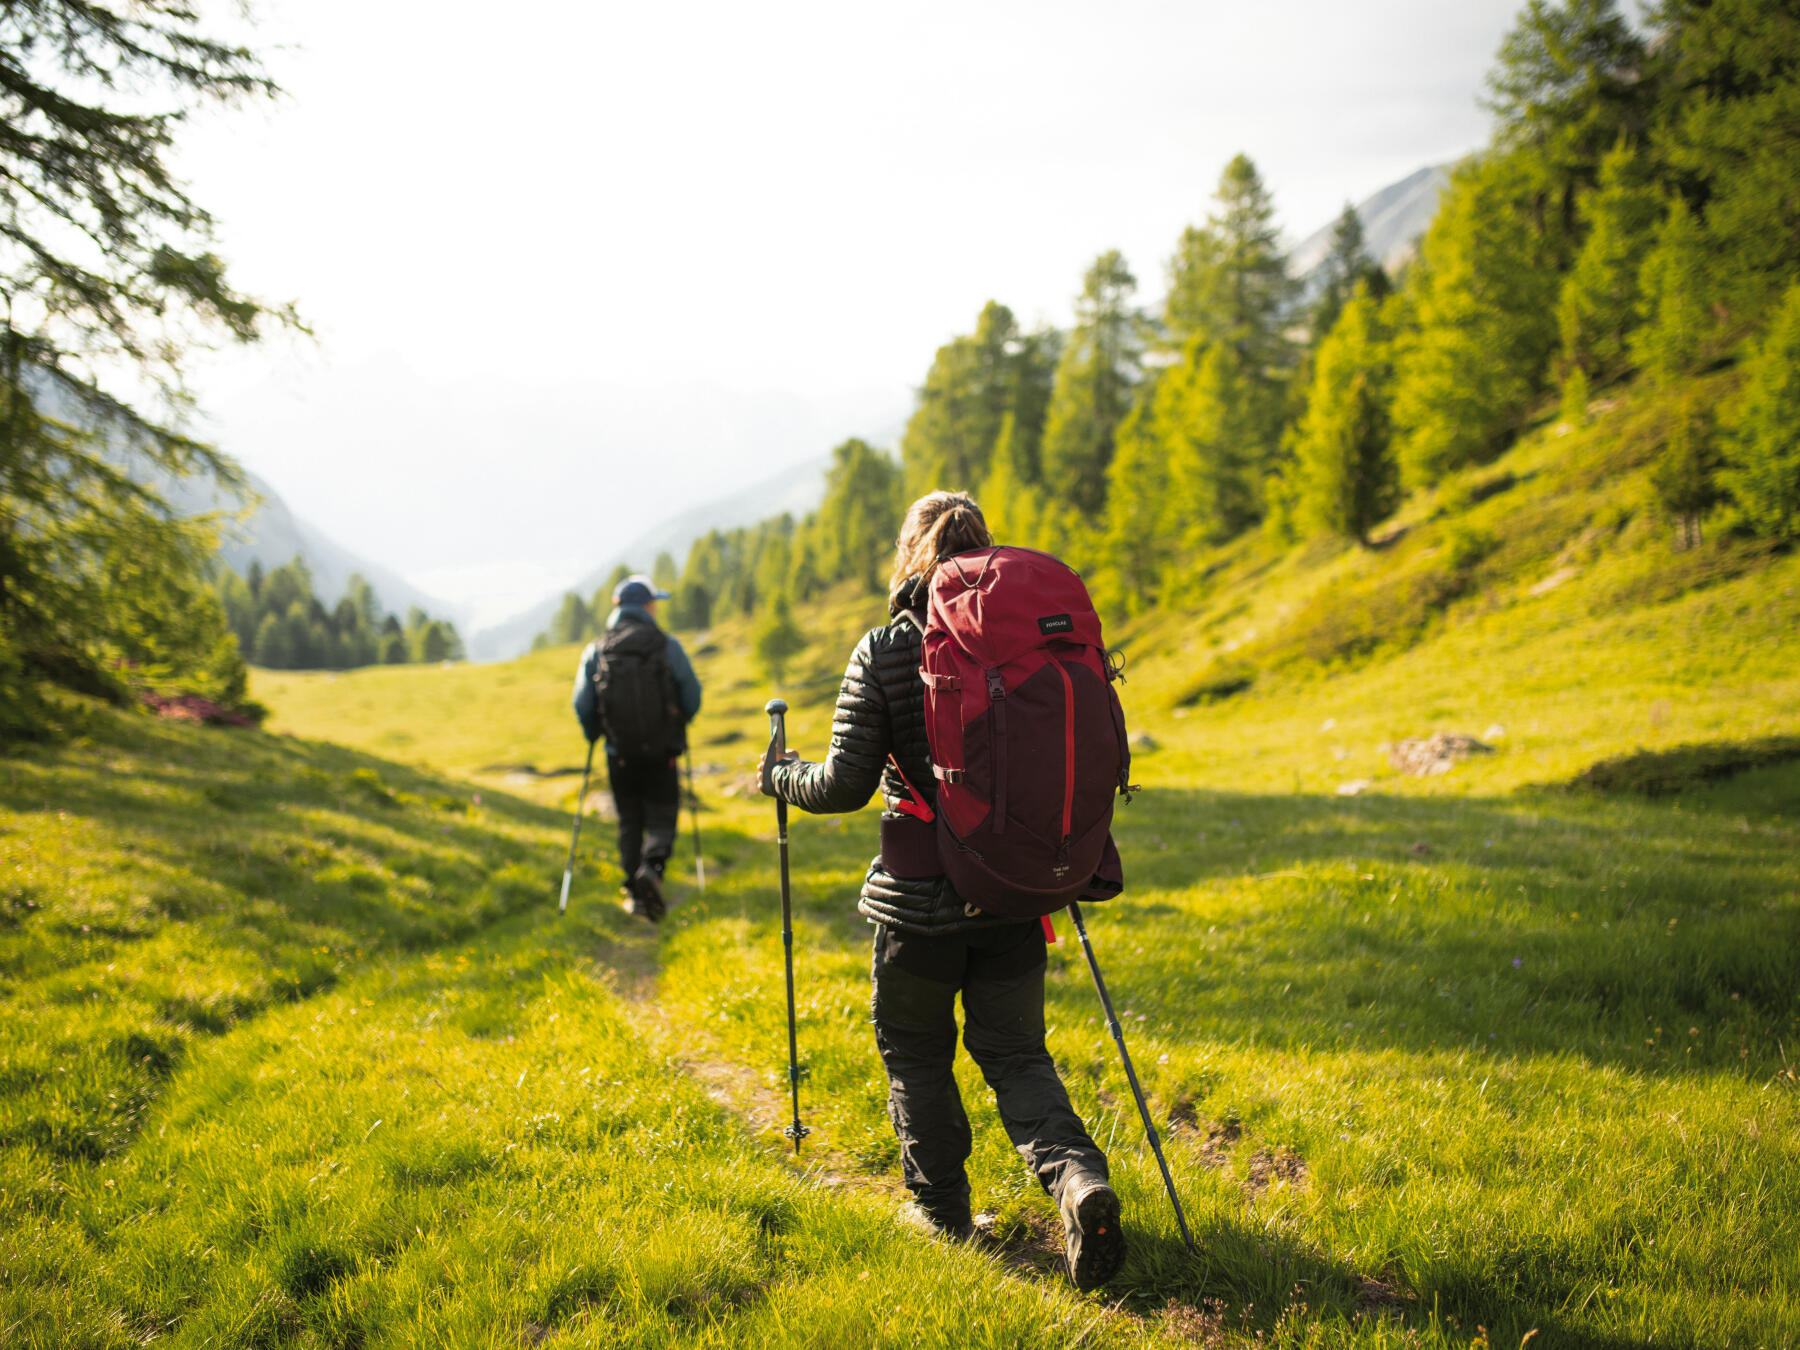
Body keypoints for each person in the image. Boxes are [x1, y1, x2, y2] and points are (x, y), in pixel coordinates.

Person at [761, 491, 1124, 1290]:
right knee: (1016, 1052)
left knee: (917, 1053)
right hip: (1013, 889)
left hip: (918, 902)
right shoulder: (1023, 638)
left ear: (908, 552)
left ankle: (942, 1212)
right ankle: (1078, 1182)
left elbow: (846, 785)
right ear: (983, 549)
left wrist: (781, 775)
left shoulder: (887, 647)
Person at [572, 574, 702, 921]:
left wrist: (593, 733)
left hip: (620, 754)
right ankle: (653, 870)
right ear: (647, 606)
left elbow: (582, 704)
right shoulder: (667, 645)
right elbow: (692, 694)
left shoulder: (596, 649)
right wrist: (681, 719)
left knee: (629, 820)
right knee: (662, 815)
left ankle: (633, 891)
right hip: (663, 751)